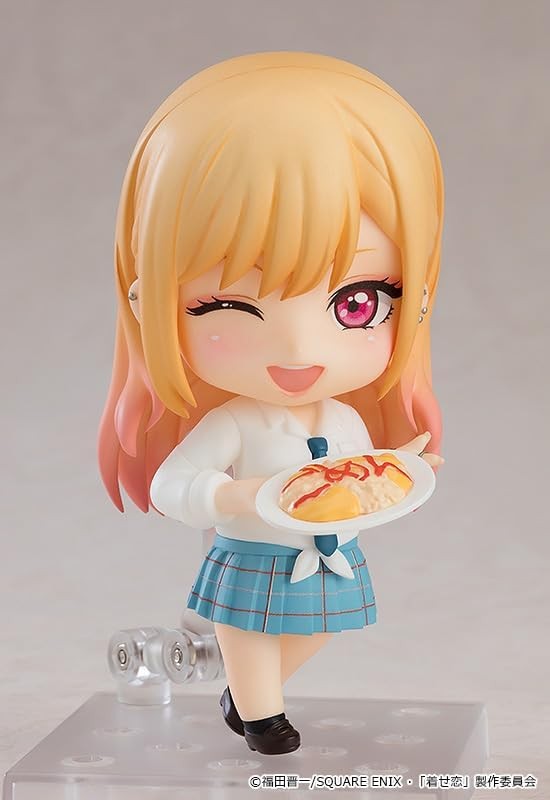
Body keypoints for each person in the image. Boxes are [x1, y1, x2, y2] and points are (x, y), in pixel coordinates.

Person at [98, 51, 444, 755]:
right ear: (146, 301)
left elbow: (357, 471)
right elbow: (172, 484)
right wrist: (227, 496)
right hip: (252, 549)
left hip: (328, 553)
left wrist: (395, 469)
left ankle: (246, 693)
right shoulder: (233, 422)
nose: (297, 349)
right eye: (227, 304)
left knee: (322, 626)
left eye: (356, 302)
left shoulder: (342, 419)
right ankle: (261, 714)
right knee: (247, 631)